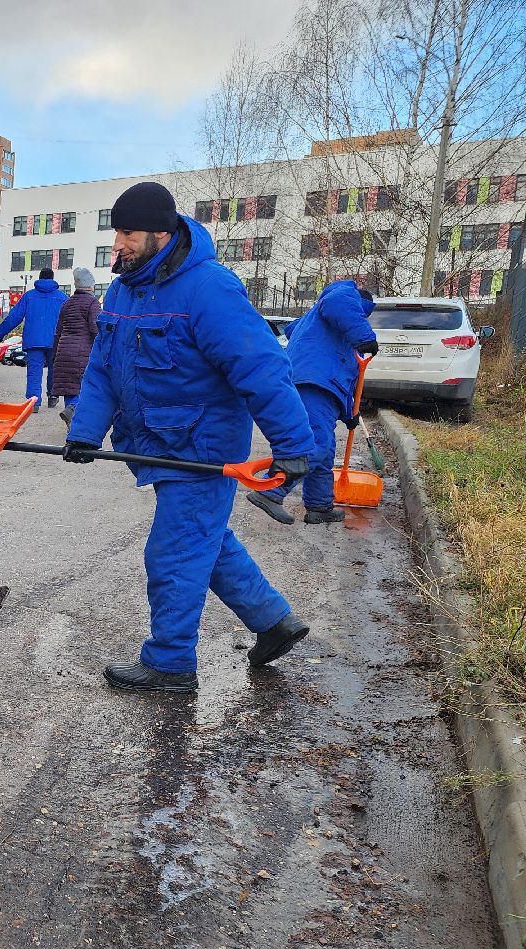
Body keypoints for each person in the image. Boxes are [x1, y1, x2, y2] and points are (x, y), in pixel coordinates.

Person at [63, 181, 315, 693]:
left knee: (174, 551)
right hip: (158, 445)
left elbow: (262, 368)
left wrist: (293, 448)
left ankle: (171, 663)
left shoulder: (209, 288)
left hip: (203, 449)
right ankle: (274, 622)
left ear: (160, 232)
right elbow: (103, 369)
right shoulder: (125, 290)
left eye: (128, 234)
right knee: (206, 540)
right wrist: (86, 430)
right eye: (116, 233)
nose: (118, 245)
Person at [246, 281, 378, 525]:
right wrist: (365, 336)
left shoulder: (322, 328)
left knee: (324, 451)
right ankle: (271, 491)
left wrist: (350, 413)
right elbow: (338, 304)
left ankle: (319, 506)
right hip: (314, 385)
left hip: (315, 385)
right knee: (315, 444)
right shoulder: (342, 296)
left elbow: (342, 373)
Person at [0, 267, 67, 412]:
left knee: (34, 371)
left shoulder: (29, 296)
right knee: (54, 369)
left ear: (39, 278)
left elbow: (14, 317)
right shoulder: (62, 298)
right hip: (55, 340)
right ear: (53, 279)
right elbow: (71, 320)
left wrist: (0, 334)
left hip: (34, 340)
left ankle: (34, 402)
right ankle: (53, 396)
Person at [50, 267, 100, 423]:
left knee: (69, 388)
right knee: (84, 387)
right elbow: (95, 328)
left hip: (63, 351)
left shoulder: (67, 303)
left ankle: (71, 419)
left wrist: (54, 355)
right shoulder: (93, 303)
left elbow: (58, 332)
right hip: (82, 352)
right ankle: (73, 412)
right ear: (90, 285)